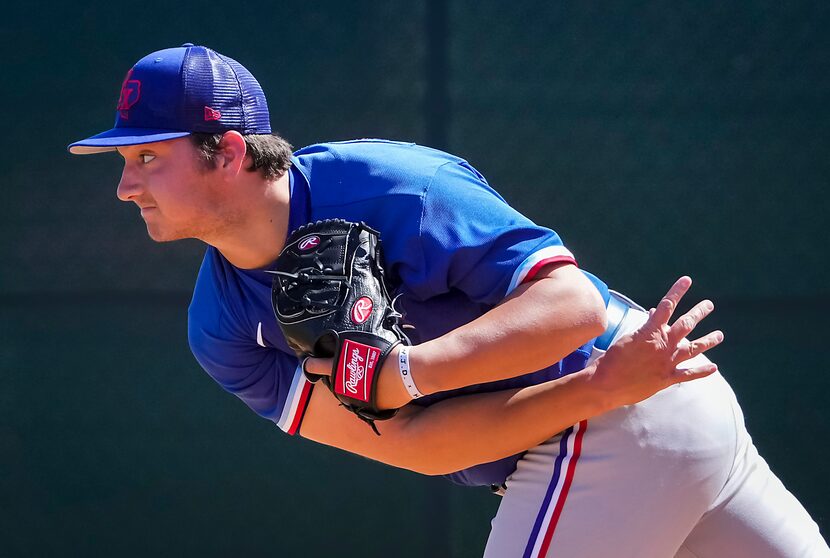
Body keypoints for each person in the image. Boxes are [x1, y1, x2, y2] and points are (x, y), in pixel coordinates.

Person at [69, 44, 829, 557]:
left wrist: (409, 373)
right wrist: (588, 389)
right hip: (604, 404)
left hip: (629, 400)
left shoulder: (391, 185)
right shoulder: (223, 326)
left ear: (228, 151)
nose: (125, 184)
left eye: (147, 157)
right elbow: (419, 447)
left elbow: (570, 307)